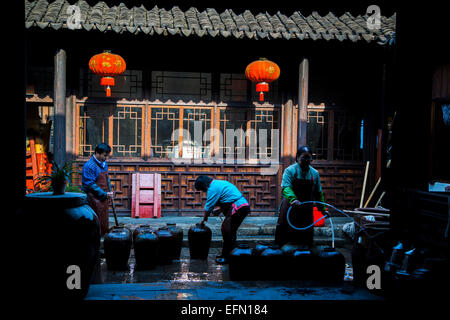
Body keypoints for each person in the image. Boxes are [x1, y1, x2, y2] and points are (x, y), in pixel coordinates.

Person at [275, 145, 327, 247]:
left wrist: (323, 210)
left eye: (309, 157)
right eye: (304, 157)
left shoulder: (314, 173)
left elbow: (318, 193)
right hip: (291, 206)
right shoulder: (290, 170)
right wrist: (293, 199)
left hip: (306, 210)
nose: (307, 160)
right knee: (285, 235)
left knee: (305, 239)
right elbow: (286, 187)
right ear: (297, 157)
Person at [194, 175, 250, 264]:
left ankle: (226, 257)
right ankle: (231, 255)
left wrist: (204, 220)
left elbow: (208, 208)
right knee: (230, 231)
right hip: (242, 206)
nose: (203, 191)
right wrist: (221, 209)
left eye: (201, 189)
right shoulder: (218, 183)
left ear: (204, 185)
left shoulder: (212, 188)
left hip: (239, 207)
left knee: (226, 230)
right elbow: (229, 198)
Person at [82, 143, 114, 236]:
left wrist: (109, 191)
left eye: (107, 155)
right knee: (95, 221)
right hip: (93, 198)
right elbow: (90, 184)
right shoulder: (89, 166)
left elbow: (107, 178)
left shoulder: (104, 163)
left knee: (104, 220)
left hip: (103, 197)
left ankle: (103, 238)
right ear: (97, 153)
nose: (106, 158)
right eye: (104, 155)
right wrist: (104, 194)